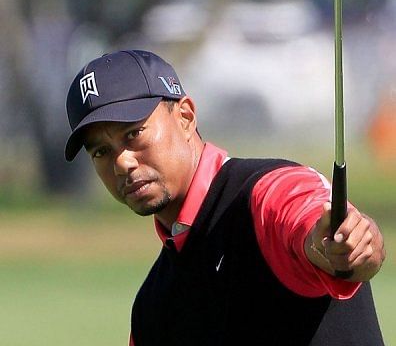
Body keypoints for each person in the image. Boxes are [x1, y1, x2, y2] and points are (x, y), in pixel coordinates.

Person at [65, 49, 386, 346]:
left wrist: (342, 245)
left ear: (186, 117)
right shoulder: (153, 310)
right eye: (102, 151)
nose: (122, 162)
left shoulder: (266, 194)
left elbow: (312, 224)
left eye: (133, 133)